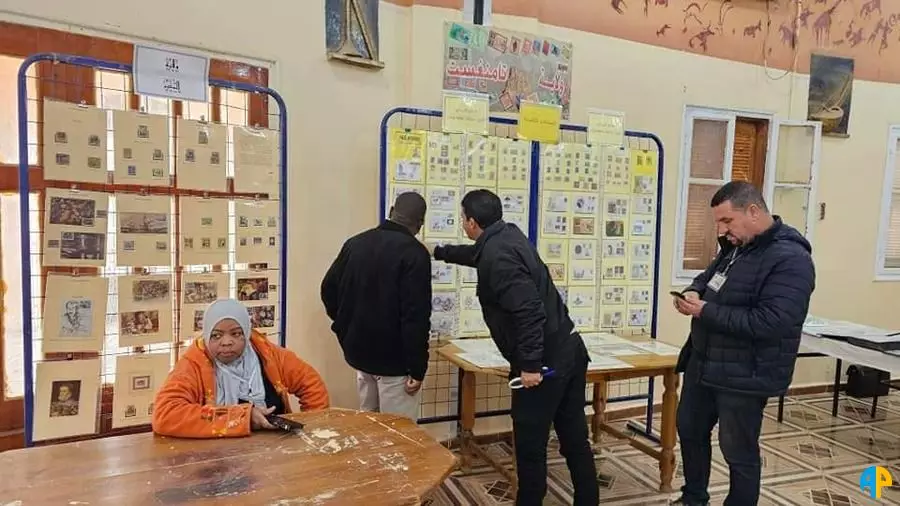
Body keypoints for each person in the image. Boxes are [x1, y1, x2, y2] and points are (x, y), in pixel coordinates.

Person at [430, 189, 598, 506]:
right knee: (574, 437)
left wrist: (530, 366)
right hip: (570, 349)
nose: (463, 223)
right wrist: (439, 251)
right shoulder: (506, 235)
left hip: (545, 364)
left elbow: (530, 312)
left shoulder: (497, 256)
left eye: (463, 218)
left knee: (530, 446)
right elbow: (477, 255)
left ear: (471, 222)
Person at [672, 181, 815, 506]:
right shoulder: (737, 247)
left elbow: (772, 322)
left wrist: (706, 310)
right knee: (690, 432)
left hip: (746, 374)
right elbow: (707, 279)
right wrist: (694, 292)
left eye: (726, 221)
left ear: (753, 211)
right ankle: (693, 498)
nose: (721, 230)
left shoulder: (791, 259)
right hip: (704, 364)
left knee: (738, 449)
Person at [320, 192, 431, 422]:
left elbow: (328, 289)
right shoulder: (415, 253)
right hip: (396, 365)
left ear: (391, 211)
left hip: (360, 356)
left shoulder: (355, 243)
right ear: (420, 224)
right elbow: (415, 316)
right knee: (399, 437)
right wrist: (417, 367)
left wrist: (344, 325)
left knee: (369, 428)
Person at [152, 299, 329, 438]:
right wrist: (241, 418)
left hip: (276, 453)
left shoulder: (268, 355)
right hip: (217, 459)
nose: (227, 342)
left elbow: (312, 386)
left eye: (236, 333)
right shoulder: (194, 363)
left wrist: (311, 429)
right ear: (206, 336)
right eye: (216, 335)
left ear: (246, 332)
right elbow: (164, 415)